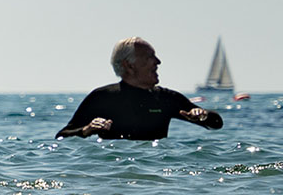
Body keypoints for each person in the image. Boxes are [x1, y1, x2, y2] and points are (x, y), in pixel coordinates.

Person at [56, 37, 223, 140]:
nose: (158, 62)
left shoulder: (166, 98)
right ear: (129, 65)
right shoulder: (102, 97)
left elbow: (216, 124)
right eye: (150, 57)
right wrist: (87, 130)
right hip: (114, 172)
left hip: (155, 170)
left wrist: (203, 116)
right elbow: (62, 136)